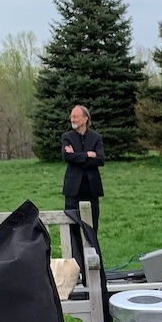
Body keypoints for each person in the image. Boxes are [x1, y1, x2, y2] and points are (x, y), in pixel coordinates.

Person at [59, 105, 104, 260]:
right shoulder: (67, 137)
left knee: (91, 229)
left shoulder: (96, 138)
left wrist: (77, 156)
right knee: (73, 231)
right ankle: (76, 266)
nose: (72, 119)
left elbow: (100, 160)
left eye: (75, 116)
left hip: (91, 190)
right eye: (71, 116)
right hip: (73, 191)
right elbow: (67, 157)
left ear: (85, 119)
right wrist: (87, 155)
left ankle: (92, 265)